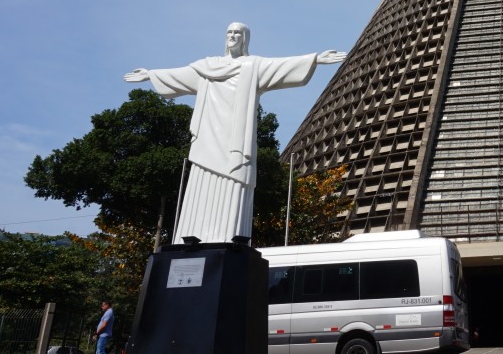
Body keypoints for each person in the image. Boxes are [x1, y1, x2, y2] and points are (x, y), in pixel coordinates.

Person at [125, 22, 345, 243]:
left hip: (236, 138)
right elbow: (178, 75)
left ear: (245, 39)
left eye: (237, 33)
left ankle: (227, 236)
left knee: (235, 178)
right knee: (202, 179)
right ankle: (192, 235)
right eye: (229, 32)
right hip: (208, 135)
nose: (232, 36)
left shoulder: (253, 66)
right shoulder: (206, 67)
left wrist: (315, 59)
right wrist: (150, 75)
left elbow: (282, 66)